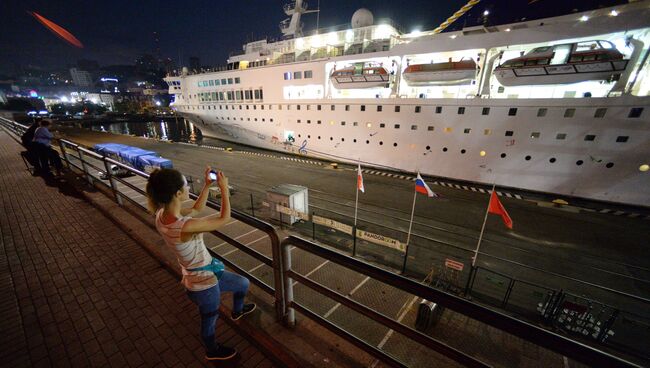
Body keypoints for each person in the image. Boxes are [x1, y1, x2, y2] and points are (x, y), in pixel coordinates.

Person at [146, 167, 255, 361]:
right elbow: (224, 218)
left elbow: (197, 208)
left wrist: (207, 185)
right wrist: (223, 189)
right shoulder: (184, 226)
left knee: (243, 283)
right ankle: (211, 350)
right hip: (204, 285)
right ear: (178, 193)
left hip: (204, 272)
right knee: (209, 319)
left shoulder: (161, 215)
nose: (188, 186)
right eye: (185, 184)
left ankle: (237, 311)